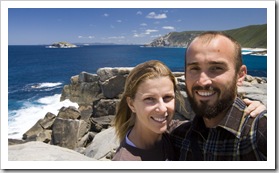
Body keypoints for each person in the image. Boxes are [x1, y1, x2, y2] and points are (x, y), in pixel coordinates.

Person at [112, 60, 266, 161]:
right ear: (131, 104)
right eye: (149, 99)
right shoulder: (125, 161)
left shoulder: (174, 132)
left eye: (167, 98)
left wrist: (259, 116)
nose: (162, 108)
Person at [170, 31, 267, 161]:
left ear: (240, 75)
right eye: (194, 68)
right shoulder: (178, 136)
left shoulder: (260, 132)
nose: (202, 81)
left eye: (216, 68)